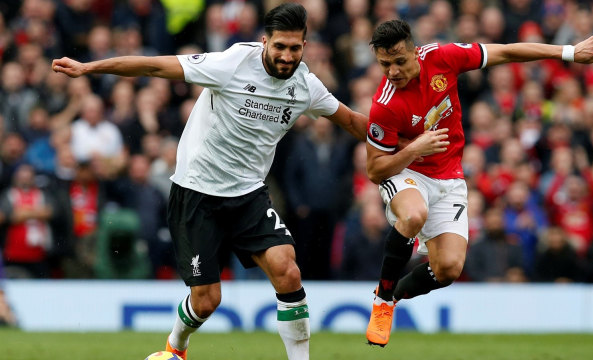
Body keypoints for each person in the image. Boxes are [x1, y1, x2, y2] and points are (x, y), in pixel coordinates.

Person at [52, 3, 368, 360]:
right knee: (207, 301)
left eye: (295, 48)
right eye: (279, 46)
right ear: (265, 41)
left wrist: (408, 146)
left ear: (305, 46)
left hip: (248, 194)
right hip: (197, 192)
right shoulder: (232, 64)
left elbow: (354, 122)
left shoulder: (306, 86)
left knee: (288, 271)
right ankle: (175, 347)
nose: (286, 55)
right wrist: (89, 68)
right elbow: (155, 66)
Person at [363, 19, 593, 347]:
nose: (393, 71)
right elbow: (374, 170)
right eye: (385, 64)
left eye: (399, 61)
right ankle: (382, 301)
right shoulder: (385, 104)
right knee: (413, 216)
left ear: (415, 52)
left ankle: (393, 296)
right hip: (407, 172)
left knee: (448, 269)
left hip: (449, 175)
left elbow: (508, 51)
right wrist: (413, 149)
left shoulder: (442, 57)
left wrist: (568, 52)